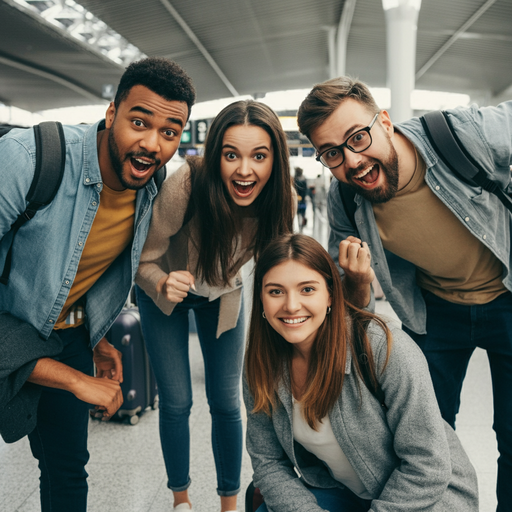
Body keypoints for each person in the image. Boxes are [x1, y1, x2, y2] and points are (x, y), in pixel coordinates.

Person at [297, 76, 512, 510]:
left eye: (358, 137)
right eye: (333, 153)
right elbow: (354, 306)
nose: (353, 161)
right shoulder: (346, 199)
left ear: (386, 123)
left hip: (508, 300)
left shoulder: (459, 133)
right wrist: (356, 281)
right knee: (425, 437)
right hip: (434, 314)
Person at [0, 56, 195, 511]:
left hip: (66, 336)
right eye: (139, 122)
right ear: (111, 114)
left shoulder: (149, 185)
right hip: (10, 327)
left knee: (67, 468)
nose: (152, 143)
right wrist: (73, 380)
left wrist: (99, 338)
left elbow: (78, 269)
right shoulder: (30, 160)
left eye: (170, 131)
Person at [134, 99, 295, 512]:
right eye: (231, 155)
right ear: (215, 155)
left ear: (275, 158)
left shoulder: (279, 199)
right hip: (167, 294)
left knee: (226, 401)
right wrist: (161, 281)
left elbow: (283, 270)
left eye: (259, 156)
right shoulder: (185, 186)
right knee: (177, 401)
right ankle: (181, 500)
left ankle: (228, 503)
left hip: (223, 297)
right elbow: (142, 258)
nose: (244, 170)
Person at [244, 233, 478, 512]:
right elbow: (268, 461)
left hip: (422, 497)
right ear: (261, 299)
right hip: (343, 491)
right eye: (276, 291)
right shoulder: (261, 364)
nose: (291, 305)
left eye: (307, 289)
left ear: (330, 294)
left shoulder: (384, 347)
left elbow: (427, 464)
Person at [293, 166, 308, 231]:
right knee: (302, 213)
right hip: (301, 199)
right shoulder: (303, 179)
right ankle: (301, 225)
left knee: (299, 213)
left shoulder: (295, 179)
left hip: (298, 199)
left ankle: (301, 225)